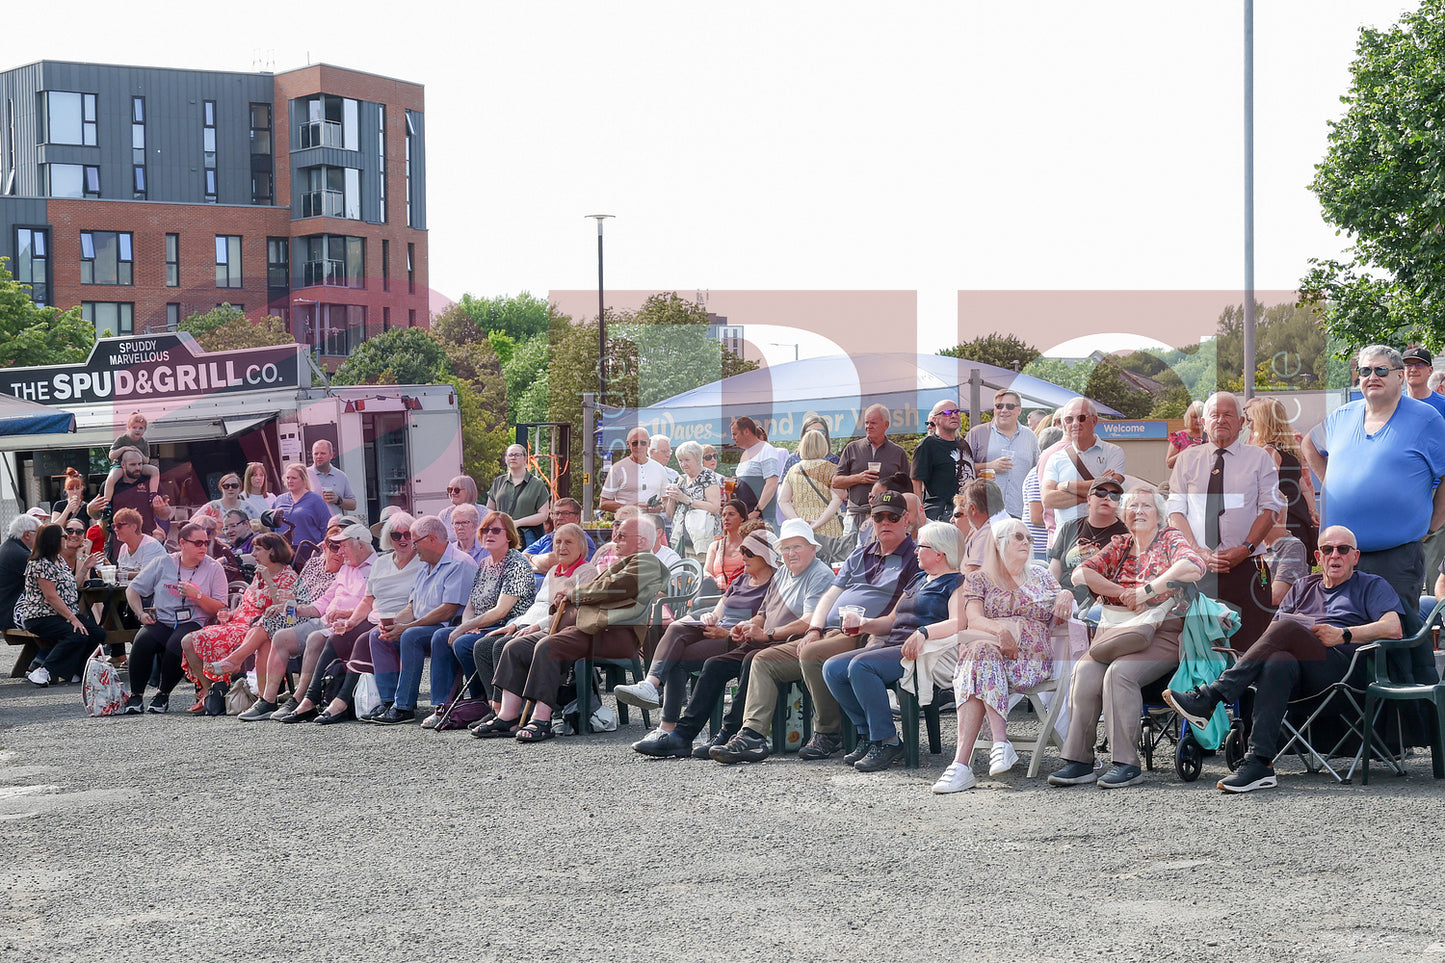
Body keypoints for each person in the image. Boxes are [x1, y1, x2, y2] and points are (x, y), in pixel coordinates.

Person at [1165, 525, 1405, 793]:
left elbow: (1394, 627)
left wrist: (1344, 634)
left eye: (1343, 550)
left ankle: (1211, 697)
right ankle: (1259, 764)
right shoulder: (1303, 586)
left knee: (1288, 628)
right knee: (1278, 660)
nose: (1335, 555)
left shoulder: (1371, 585)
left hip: (1345, 674)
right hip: (1300, 680)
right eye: (1328, 549)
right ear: (1317, 556)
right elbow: (1272, 636)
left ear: (1355, 556)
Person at [711, 490, 920, 764]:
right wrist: (814, 629)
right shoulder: (861, 554)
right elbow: (829, 596)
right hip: (827, 631)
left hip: (866, 634)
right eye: (878, 517)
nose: (885, 523)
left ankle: (828, 732)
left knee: (812, 654)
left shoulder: (913, 556)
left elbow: (902, 610)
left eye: (892, 517)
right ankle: (753, 735)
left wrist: (857, 626)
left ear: (906, 520)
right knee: (762, 660)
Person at [633, 518, 835, 760]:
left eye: (797, 547)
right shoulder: (782, 574)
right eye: (786, 548)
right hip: (765, 639)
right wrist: (748, 626)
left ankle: (730, 733)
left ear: (813, 549)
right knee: (714, 664)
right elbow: (762, 613)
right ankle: (682, 736)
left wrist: (767, 633)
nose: (791, 553)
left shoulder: (819, 573)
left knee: (752, 660)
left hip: (792, 641)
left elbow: (810, 621)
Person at [1305, 344, 1445, 684]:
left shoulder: (1427, 419)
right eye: (1365, 371)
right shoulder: (1343, 415)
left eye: (1381, 370)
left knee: (1389, 642)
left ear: (1399, 376)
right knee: (1336, 638)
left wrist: (1434, 522)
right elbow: (1309, 444)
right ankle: (1343, 725)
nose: (1372, 377)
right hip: (1340, 555)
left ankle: (1392, 730)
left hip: (1394, 557)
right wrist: (1333, 483)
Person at [1048, 487, 1205, 789]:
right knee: (1084, 671)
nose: (1139, 511)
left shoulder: (1170, 539)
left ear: (1159, 514)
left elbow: (1193, 566)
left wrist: (1147, 591)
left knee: (1119, 674)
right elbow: (1082, 573)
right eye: (1132, 506)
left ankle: (1126, 763)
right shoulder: (1119, 544)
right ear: (1124, 514)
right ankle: (1080, 761)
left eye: (1146, 506)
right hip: (1119, 630)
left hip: (1163, 631)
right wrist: (1121, 593)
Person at [480, 516, 668, 742]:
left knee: (549, 646)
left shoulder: (647, 562)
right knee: (515, 647)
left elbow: (614, 589)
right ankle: (508, 717)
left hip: (614, 633)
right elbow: (602, 589)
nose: (614, 538)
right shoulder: (624, 562)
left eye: (621, 535)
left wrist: (574, 594)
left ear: (641, 541)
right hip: (588, 628)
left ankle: (541, 719)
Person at [931, 520, 1074, 792]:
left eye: (1030, 539)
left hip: (1030, 659)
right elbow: (972, 617)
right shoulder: (979, 578)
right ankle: (996, 745)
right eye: (1019, 536)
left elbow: (1063, 597)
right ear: (998, 543)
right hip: (990, 656)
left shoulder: (1041, 577)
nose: (1026, 543)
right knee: (982, 656)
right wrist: (1000, 631)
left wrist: (1066, 593)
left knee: (975, 664)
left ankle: (963, 765)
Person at [823, 521, 964, 772]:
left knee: (862, 666)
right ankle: (868, 734)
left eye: (922, 546)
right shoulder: (919, 579)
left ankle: (888, 741)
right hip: (896, 645)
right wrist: (864, 624)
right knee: (832, 667)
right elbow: (891, 621)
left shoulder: (956, 583)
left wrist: (924, 632)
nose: (916, 551)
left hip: (923, 652)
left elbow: (958, 622)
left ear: (940, 553)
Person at [619, 527, 778, 737]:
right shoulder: (741, 579)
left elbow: (764, 622)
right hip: (720, 628)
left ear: (765, 556)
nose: (743, 556)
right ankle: (651, 686)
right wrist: (710, 618)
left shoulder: (774, 584)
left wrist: (725, 632)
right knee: (676, 627)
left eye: (749, 552)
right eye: (742, 551)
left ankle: (667, 727)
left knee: (676, 658)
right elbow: (720, 608)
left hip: (740, 639)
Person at [1167, 391, 1284, 653]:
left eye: (1228, 415)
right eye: (1214, 415)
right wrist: (1198, 552)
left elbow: (1270, 508)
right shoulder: (1187, 460)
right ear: (1204, 423)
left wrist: (1244, 549)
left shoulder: (1259, 458)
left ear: (1242, 422)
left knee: (1250, 647)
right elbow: (1175, 512)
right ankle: (1200, 694)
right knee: (1201, 648)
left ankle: (1247, 694)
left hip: (1248, 569)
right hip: (1197, 570)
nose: (1221, 420)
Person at [288, 512, 422, 725]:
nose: (403, 539)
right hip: (373, 617)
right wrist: (349, 622)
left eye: (408, 534)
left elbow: (417, 604)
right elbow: (367, 601)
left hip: (401, 620)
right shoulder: (383, 563)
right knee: (337, 638)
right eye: (396, 535)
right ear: (388, 537)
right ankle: (310, 699)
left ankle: (341, 702)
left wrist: (389, 620)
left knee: (364, 639)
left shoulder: (421, 563)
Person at [465, 523, 598, 723]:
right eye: (558, 542)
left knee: (503, 646)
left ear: (581, 547)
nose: (562, 547)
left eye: (568, 542)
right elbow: (538, 604)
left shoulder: (586, 572)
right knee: (483, 646)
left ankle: (516, 712)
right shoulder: (553, 571)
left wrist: (535, 627)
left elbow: (568, 612)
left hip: (553, 627)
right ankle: (497, 708)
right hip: (529, 622)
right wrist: (516, 623)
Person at [424, 512, 536, 726]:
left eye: (496, 530)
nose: (489, 534)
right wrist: (468, 625)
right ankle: (442, 705)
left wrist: (465, 628)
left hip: (507, 626)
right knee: (440, 637)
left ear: (509, 536)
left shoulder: (516, 564)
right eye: (485, 530)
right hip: (482, 625)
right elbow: (471, 604)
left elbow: (501, 611)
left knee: (464, 643)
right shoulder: (484, 563)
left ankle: (483, 701)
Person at [368, 514, 478, 725]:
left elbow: (448, 609)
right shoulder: (426, 562)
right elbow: (412, 606)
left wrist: (406, 627)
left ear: (431, 540)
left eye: (414, 541)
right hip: (424, 624)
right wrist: (393, 625)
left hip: (450, 625)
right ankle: (389, 700)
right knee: (377, 635)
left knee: (411, 635)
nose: (412, 546)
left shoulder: (459, 563)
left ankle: (405, 707)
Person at [180, 532, 303, 712]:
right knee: (187, 641)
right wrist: (230, 613)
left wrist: (269, 580)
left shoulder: (288, 576)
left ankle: (235, 666)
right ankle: (210, 694)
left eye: (258, 549)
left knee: (197, 639)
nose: (253, 554)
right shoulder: (258, 575)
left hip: (258, 628)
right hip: (239, 623)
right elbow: (249, 603)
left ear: (272, 551)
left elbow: (283, 610)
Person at [122, 522, 228, 713]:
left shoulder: (213, 568)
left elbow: (220, 608)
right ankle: (136, 696)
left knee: (176, 643)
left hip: (195, 620)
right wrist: (140, 613)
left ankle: (163, 694)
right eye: (197, 543)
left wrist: (198, 595)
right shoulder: (163, 562)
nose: (203, 547)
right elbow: (133, 590)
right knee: (142, 641)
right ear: (182, 543)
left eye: (205, 542)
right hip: (164, 618)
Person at [17, 524, 107, 686]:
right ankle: (44, 670)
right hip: (42, 615)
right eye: (64, 536)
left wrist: (85, 567)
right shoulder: (39, 563)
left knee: (98, 634)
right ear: (54, 540)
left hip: (63, 613)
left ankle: (76, 671)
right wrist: (73, 618)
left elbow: (74, 586)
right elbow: (51, 597)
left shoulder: (59, 560)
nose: (67, 539)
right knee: (76, 635)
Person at [1246, 397, 1319, 560]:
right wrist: (1312, 511)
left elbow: (1266, 490)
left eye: (1251, 420)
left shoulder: (1269, 452)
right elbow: (1303, 484)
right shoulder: (1290, 449)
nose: (1249, 425)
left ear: (1263, 422)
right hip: (1299, 513)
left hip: (1282, 520)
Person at [1042, 398, 1125, 531]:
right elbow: (1048, 500)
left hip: (1104, 538)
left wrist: (1066, 485)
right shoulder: (1055, 458)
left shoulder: (1113, 452)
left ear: (1094, 420)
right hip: (1067, 540)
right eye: (1069, 419)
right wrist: (1096, 490)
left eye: (1081, 418)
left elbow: (1110, 490)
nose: (1075, 423)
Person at [1050, 477, 1130, 607]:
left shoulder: (1125, 534)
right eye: (1100, 492)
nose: (1107, 498)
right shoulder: (1070, 527)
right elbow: (1054, 571)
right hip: (1063, 597)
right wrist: (1055, 596)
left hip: (1098, 602)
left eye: (1114, 495)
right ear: (1088, 499)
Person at [833, 404, 910, 532]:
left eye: (873, 423)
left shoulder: (898, 452)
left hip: (887, 518)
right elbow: (836, 482)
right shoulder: (852, 448)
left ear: (886, 425)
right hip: (855, 516)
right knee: (852, 551)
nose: (869, 426)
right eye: (866, 423)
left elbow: (907, 489)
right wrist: (858, 478)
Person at [966, 389, 1040, 521]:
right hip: (985, 512)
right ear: (994, 409)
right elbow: (961, 469)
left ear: (1019, 410)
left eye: (1010, 406)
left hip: (1020, 512)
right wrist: (989, 465)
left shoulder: (1030, 437)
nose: (1004, 410)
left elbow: (1037, 472)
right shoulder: (978, 433)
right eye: (999, 406)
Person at [88, 447, 171, 555]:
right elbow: (97, 515)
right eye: (133, 465)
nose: (138, 468)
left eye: (140, 464)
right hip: (118, 541)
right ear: (122, 465)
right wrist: (91, 509)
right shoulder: (110, 485)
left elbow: (165, 515)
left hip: (145, 538)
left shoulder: (151, 483)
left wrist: (161, 509)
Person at [778, 427, 845, 546]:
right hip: (829, 528)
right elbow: (837, 499)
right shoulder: (832, 469)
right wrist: (818, 522)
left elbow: (782, 500)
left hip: (801, 530)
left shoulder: (793, 470)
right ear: (824, 446)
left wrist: (798, 522)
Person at [663, 440, 722, 560]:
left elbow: (715, 508)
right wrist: (671, 498)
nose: (683, 464)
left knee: (701, 572)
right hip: (681, 539)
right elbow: (670, 515)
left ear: (697, 458)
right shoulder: (679, 480)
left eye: (686, 460)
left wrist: (687, 499)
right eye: (680, 460)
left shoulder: (708, 477)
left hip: (703, 538)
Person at [911, 400, 969, 522]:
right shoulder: (928, 444)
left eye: (956, 411)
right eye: (947, 413)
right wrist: (919, 515)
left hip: (965, 511)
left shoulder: (963, 444)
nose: (953, 415)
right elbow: (916, 482)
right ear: (935, 420)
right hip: (940, 514)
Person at [486, 444, 551, 546]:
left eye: (517, 455)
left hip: (527, 536)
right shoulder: (498, 482)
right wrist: (499, 521)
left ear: (525, 458)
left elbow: (543, 515)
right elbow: (489, 508)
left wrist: (517, 523)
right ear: (506, 458)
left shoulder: (537, 484)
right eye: (510, 455)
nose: (513, 458)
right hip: (501, 534)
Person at [600, 427, 669, 513]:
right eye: (635, 443)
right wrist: (631, 508)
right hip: (626, 523)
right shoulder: (617, 468)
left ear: (649, 443)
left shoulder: (659, 468)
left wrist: (660, 507)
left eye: (643, 443)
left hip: (653, 523)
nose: (639, 447)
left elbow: (666, 501)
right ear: (628, 444)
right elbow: (603, 503)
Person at [100, 412, 160, 507]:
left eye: (141, 428)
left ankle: (152, 495)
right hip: (120, 465)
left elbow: (146, 460)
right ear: (129, 428)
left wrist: (138, 451)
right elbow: (111, 455)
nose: (137, 430)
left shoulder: (144, 442)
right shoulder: (122, 439)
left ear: (144, 430)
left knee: (155, 470)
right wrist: (124, 449)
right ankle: (107, 504)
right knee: (111, 479)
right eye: (134, 427)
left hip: (138, 465)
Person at [730, 416, 781, 525]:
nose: (732, 438)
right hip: (746, 516)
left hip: (761, 518)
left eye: (735, 434)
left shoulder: (766, 450)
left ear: (746, 431)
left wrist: (757, 510)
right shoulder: (745, 453)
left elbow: (772, 484)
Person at [524, 499, 596, 574]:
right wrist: (539, 567)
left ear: (577, 518)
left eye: (565, 514)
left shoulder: (582, 539)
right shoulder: (548, 538)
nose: (559, 517)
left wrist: (532, 558)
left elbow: (552, 562)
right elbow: (522, 557)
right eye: (556, 513)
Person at [271, 462, 331, 549]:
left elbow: (326, 528)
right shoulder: (279, 500)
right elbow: (272, 526)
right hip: (283, 550)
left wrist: (323, 550)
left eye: (294, 478)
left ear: (304, 480)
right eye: (287, 478)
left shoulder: (316, 500)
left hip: (308, 549)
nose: (290, 481)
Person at [1, 514, 41, 630]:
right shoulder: (21, 555)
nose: (41, 538)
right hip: (12, 615)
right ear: (27, 534)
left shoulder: (9, 547)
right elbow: (47, 579)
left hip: (6, 611)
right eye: (39, 533)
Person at [959, 477, 1008, 573]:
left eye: (965, 505)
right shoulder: (999, 524)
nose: (964, 510)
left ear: (972, 508)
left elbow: (972, 577)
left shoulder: (987, 533)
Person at [703, 499, 751, 594]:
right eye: (724, 515)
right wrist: (710, 577)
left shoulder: (750, 545)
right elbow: (706, 571)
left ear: (742, 518)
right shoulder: (715, 546)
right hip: (716, 592)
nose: (726, 518)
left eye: (731, 514)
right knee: (706, 582)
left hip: (740, 592)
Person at [112, 507, 167, 581]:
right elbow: (123, 577)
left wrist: (117, 573)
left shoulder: (151, 546)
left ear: (134, 527)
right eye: (114, 526)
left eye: (119, 526)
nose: (115, 529)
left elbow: (147, 576)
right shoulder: (123, 548)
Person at [308, 439, 357, 516]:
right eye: (316, 453)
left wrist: (338, 500)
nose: (319, 456)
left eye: (323, 453)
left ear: (331, 455)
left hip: (334, 525)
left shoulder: (341, 476)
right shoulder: (305, 475)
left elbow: (353, 505)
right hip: (312, 526)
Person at [1402, 346, 1445, 418]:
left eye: (1419, 365)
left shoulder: (1442, 404)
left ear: (1430, 370)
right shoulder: (1394, 402)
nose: (1413, 370)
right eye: (1409, 365)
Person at [439, 475, 479, 542]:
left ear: (469, 491)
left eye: (456, 490)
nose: (452, 493)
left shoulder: (485, 513)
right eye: (450, 490)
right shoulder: (444, 515)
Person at [1167, 400, 1205, 469]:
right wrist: (1186, 452)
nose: (1198, 420)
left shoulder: (1213, 437)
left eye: (1201, 417)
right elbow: (1169, 464)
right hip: (1184, 478)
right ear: (1189, 418)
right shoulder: (1179, 436)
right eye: (1195, 417)